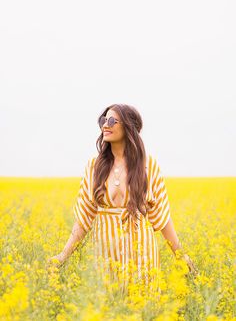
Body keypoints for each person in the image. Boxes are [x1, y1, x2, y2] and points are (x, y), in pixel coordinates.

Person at [47, 103, 198, 292]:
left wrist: (180, 255)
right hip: (105, 252)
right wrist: (62, 256)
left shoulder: (147, 166)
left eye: (112, 120)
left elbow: (162, 217)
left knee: (143, 305)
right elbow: (84, 219)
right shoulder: (94, 167)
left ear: (129, 127)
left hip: (142, 251)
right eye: (103, 120)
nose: (105, 125)